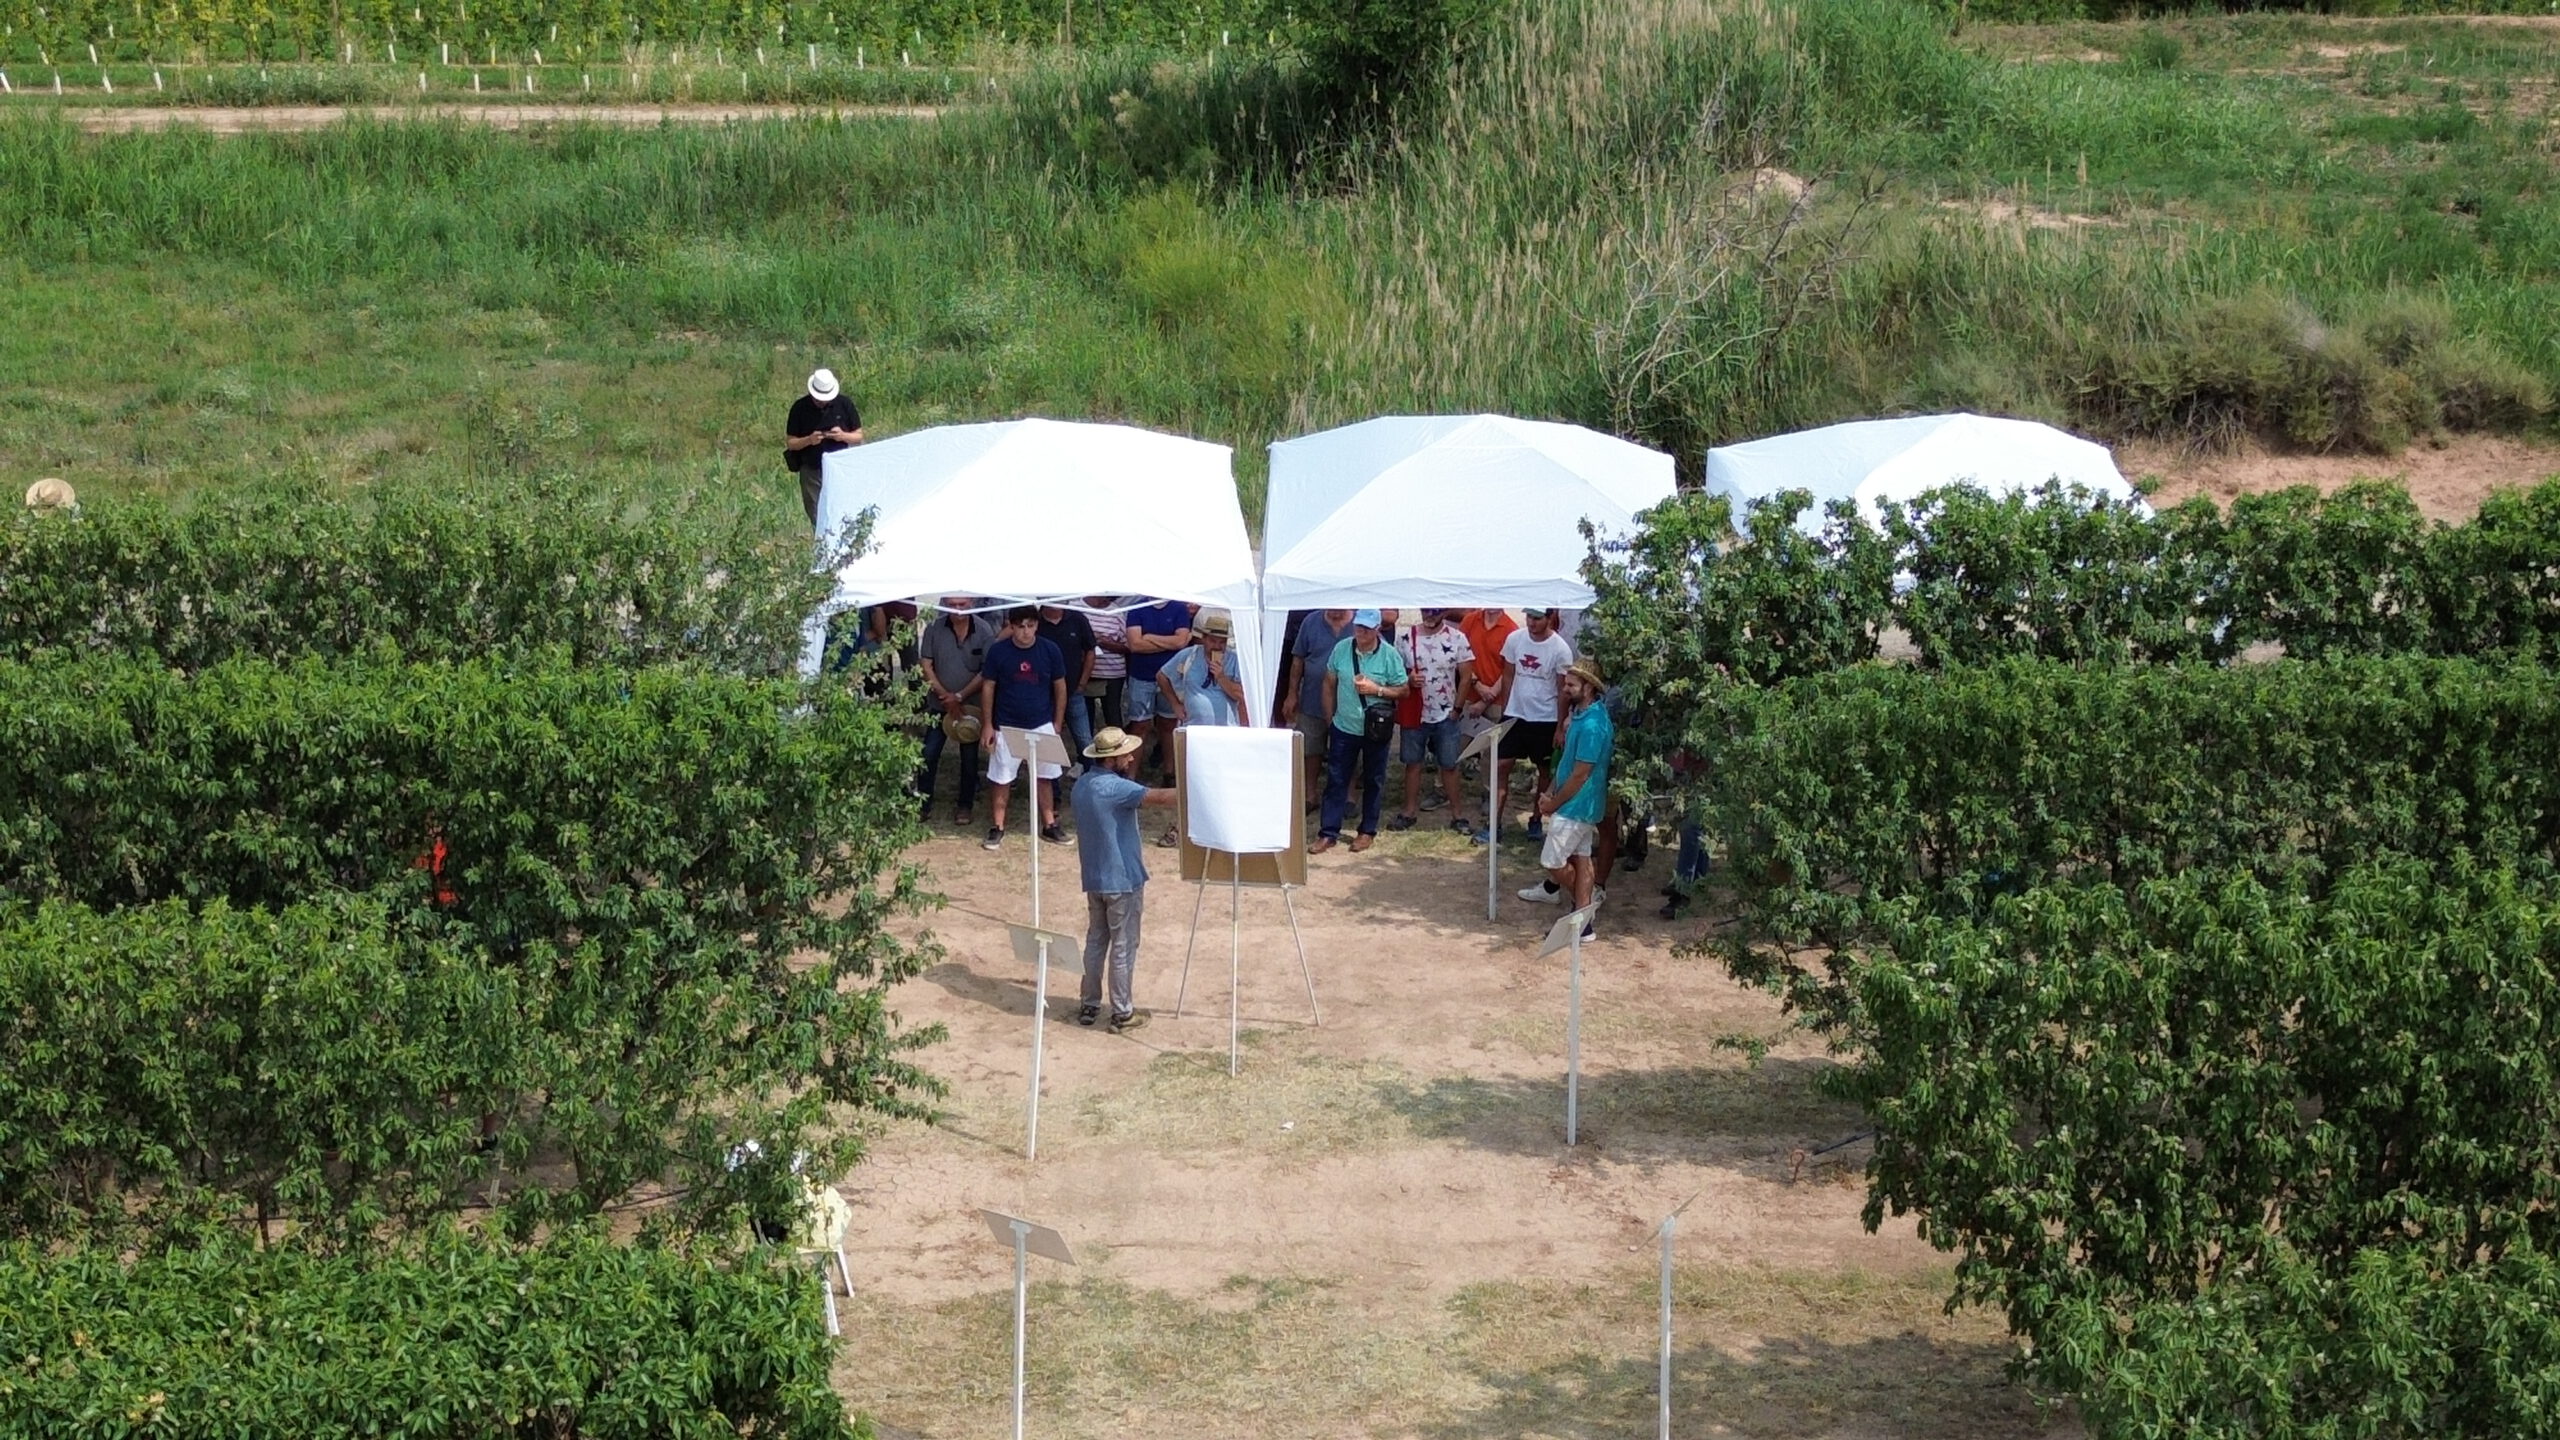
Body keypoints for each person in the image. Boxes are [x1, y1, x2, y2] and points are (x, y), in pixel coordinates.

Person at [1071, 726, 1178, 1033]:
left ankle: (1089, 1004)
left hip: (1095, 877)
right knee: (1124, 945)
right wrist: (1198, 789)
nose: (1131, 758)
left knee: (1095, 942)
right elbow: (1158, 798)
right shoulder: (1115, 789)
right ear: (1112, 758)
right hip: (1122, 880)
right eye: (1125, 754)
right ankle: (1122, 1012)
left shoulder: (1082, 785)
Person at [1518, 660, 1614, 940]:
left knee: (1552, 861)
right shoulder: (1583, 715)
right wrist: (1550, 791)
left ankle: (1585, 910)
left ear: (1589, 688)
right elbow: (1569, 766)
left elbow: (1581, 775)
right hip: (1577, 805)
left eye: (1571, 684)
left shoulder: (1594, 725)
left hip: (1578, 806)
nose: (1565, 688)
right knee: (1582, 858)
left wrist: (1553, 803)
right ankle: (1584, 925)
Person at [1311, 610, 1409, 855]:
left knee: (1374, 780)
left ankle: (1367, 831)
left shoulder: (1389, 655)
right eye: (1358, 627)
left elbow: (1403, 690)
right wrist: (1329, 717)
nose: (1360, 632)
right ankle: (1328, 832)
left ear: (1377, 629)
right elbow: (1328, 682)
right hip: (1344, 726)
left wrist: (1377, 690)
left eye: (1366, 628)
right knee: (1336, 780)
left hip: (1376, 729)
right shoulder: (1342, 649)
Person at [979, 606, 1070, 850]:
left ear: (1037, 626)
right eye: (1020, 626)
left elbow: (1060, 686)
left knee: (1045, 777)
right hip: (1005, 724)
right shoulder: (999, 652)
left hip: (1042, 724)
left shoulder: (1050, 650)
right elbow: (988, 686)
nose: (1025, 632)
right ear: (1011, 626)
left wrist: (1057, 722)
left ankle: (1050, 824)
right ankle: (997, 826)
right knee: (1001, 778)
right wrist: (988, 724)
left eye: (1030, 626)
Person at [1387, 608, 1478, 836]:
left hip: (1445, 713)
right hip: (1416, 712)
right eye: (1426, 610)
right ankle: (1409, 811)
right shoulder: (1405, 637)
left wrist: (1457, 708)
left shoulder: (1457, 638)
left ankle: (1457, 814)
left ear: (1443, 613)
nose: (1430, 615)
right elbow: (1395, 671)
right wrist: (1407, 679)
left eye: (1435, 612)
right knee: (1413, 764)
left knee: (1449, 765)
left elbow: (1467, 675)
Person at [1491, 607, 1575, 841]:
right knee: (1501, 767)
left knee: (1544, 772)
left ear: (1550, 619)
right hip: (1515, 715)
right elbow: (1508, 674)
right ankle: (1494, 823)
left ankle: (1536, 819)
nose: (1531, 623)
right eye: (1529, 617)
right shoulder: (1515, 639)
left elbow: (1563, 690)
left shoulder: (1560, 649)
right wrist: (1506, 709)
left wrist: (1559, 726)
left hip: (1545, 718)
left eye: (1537, 618)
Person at [915, 598, 993, 825]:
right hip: (939, 706)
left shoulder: (984, 629)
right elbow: (926, 665)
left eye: (963, 604)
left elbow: (986, 669)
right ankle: (923, 803)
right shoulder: (933, 628)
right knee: (929, 754)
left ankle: (965, 804)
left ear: (972, 604)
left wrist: (959, 696)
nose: (958, 609)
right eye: (953, 604)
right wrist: (946, 697)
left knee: (969, 759)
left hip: (971, 706)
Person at [1281, 608, 1353, 807]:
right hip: (1312, 698)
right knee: (1311, 749)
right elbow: (1298, 660)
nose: (1335, 613)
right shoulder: (1310, 621)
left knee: (1348, 749)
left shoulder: (1359, 623)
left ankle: (1348, 796)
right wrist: (1292, 693)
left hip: (1348, 700)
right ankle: (1309, 795)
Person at [1121, 597, 1194, 782]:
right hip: (1141, 676)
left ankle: (1169, 773)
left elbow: (1181, 642)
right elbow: (1135, 645)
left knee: (1168, 725)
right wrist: (1168, 643)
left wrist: (1150, 637)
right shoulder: (1136, 607)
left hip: (1171, 677)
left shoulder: (1179, 608)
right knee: (1139, 725)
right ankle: (1131, 775)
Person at [784, 369, 863, 528]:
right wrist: (809, 440)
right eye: (819, 399)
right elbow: (791, 443)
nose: (822, 402)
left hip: (841, 468)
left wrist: (842, 436)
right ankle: (822, 545)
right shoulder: (799, 408)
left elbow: (859, 436)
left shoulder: (844, 404)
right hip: (812, 469)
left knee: (844, 508)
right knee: (816, 512)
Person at [1158, 610, 1248, 729]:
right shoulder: (1189, 655)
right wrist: (1175, 705)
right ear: (1204, 639)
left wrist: (1221, 677)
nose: (1217, 646)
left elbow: (1242, 695)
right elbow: (1161, 676)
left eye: (1222, 642)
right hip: (1192, 728)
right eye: (1213, 641)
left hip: (1226, 730)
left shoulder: (1234, 660)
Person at [1038, 602, 1099, 765]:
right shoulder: (1034, 621)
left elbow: (1091, 651)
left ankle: (1093, 778)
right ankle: (1051, 785)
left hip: (1073, 691)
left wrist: (1082, 683)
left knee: (1085, 740)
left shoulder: (1078, 619)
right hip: (1043, 694)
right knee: (1046, 739)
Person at [1084, 596, 1128, 734]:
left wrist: (1103, 642)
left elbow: (1128, 646)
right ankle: (1087, 754)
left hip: (1113, 674)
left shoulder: (1117, 611)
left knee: (1113, 717)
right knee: (1085, 720)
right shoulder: (1077, 607)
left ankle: (1117, 754)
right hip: (1085, 674)